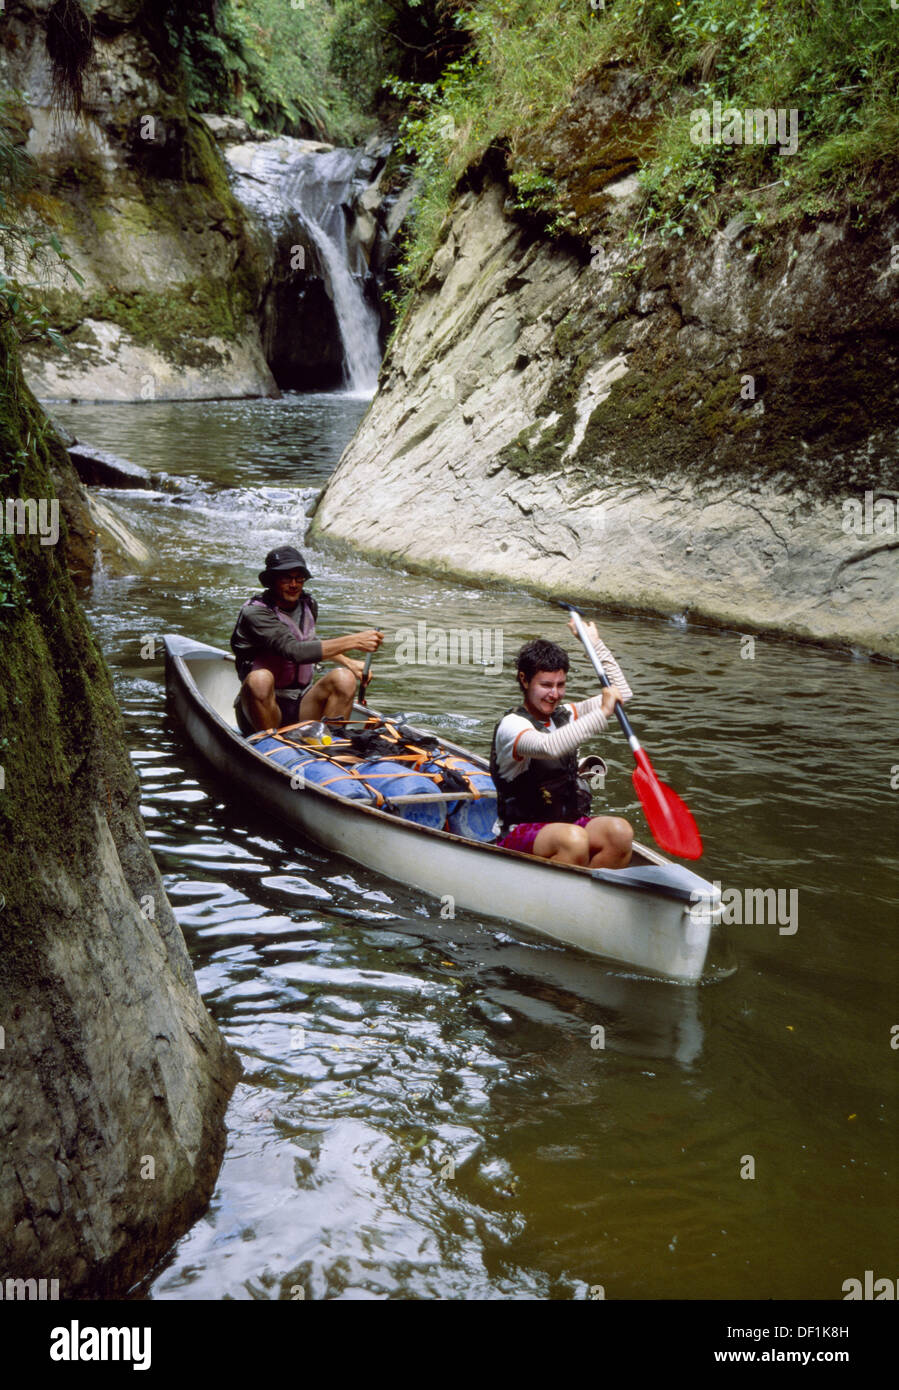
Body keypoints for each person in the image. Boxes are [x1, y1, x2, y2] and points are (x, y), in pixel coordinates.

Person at [490, 617, 634, 868]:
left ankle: (592, 895)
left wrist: (595, 644)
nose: (554, 694)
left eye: (560, 685)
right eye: (545, 685)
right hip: (521, 831)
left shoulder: (565, 714)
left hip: (569, 826)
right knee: (573, 840)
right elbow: (550, 746)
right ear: (524, 681)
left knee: (620, 832)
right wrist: (602, 713)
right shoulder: (512, 726)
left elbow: (622, 694)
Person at [230, 546, 383, 734]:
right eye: (286, 578)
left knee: (344, 678)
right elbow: (294, 650)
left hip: (302, 703)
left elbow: (308, 642)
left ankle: (330, 745)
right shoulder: (255, 612)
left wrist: (349, 662)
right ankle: (271, 744)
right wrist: (354, 641)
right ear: (272, 581)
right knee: (260, 679)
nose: (294, 584)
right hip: (262, 708)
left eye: (299, 578)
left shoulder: (308, 604)